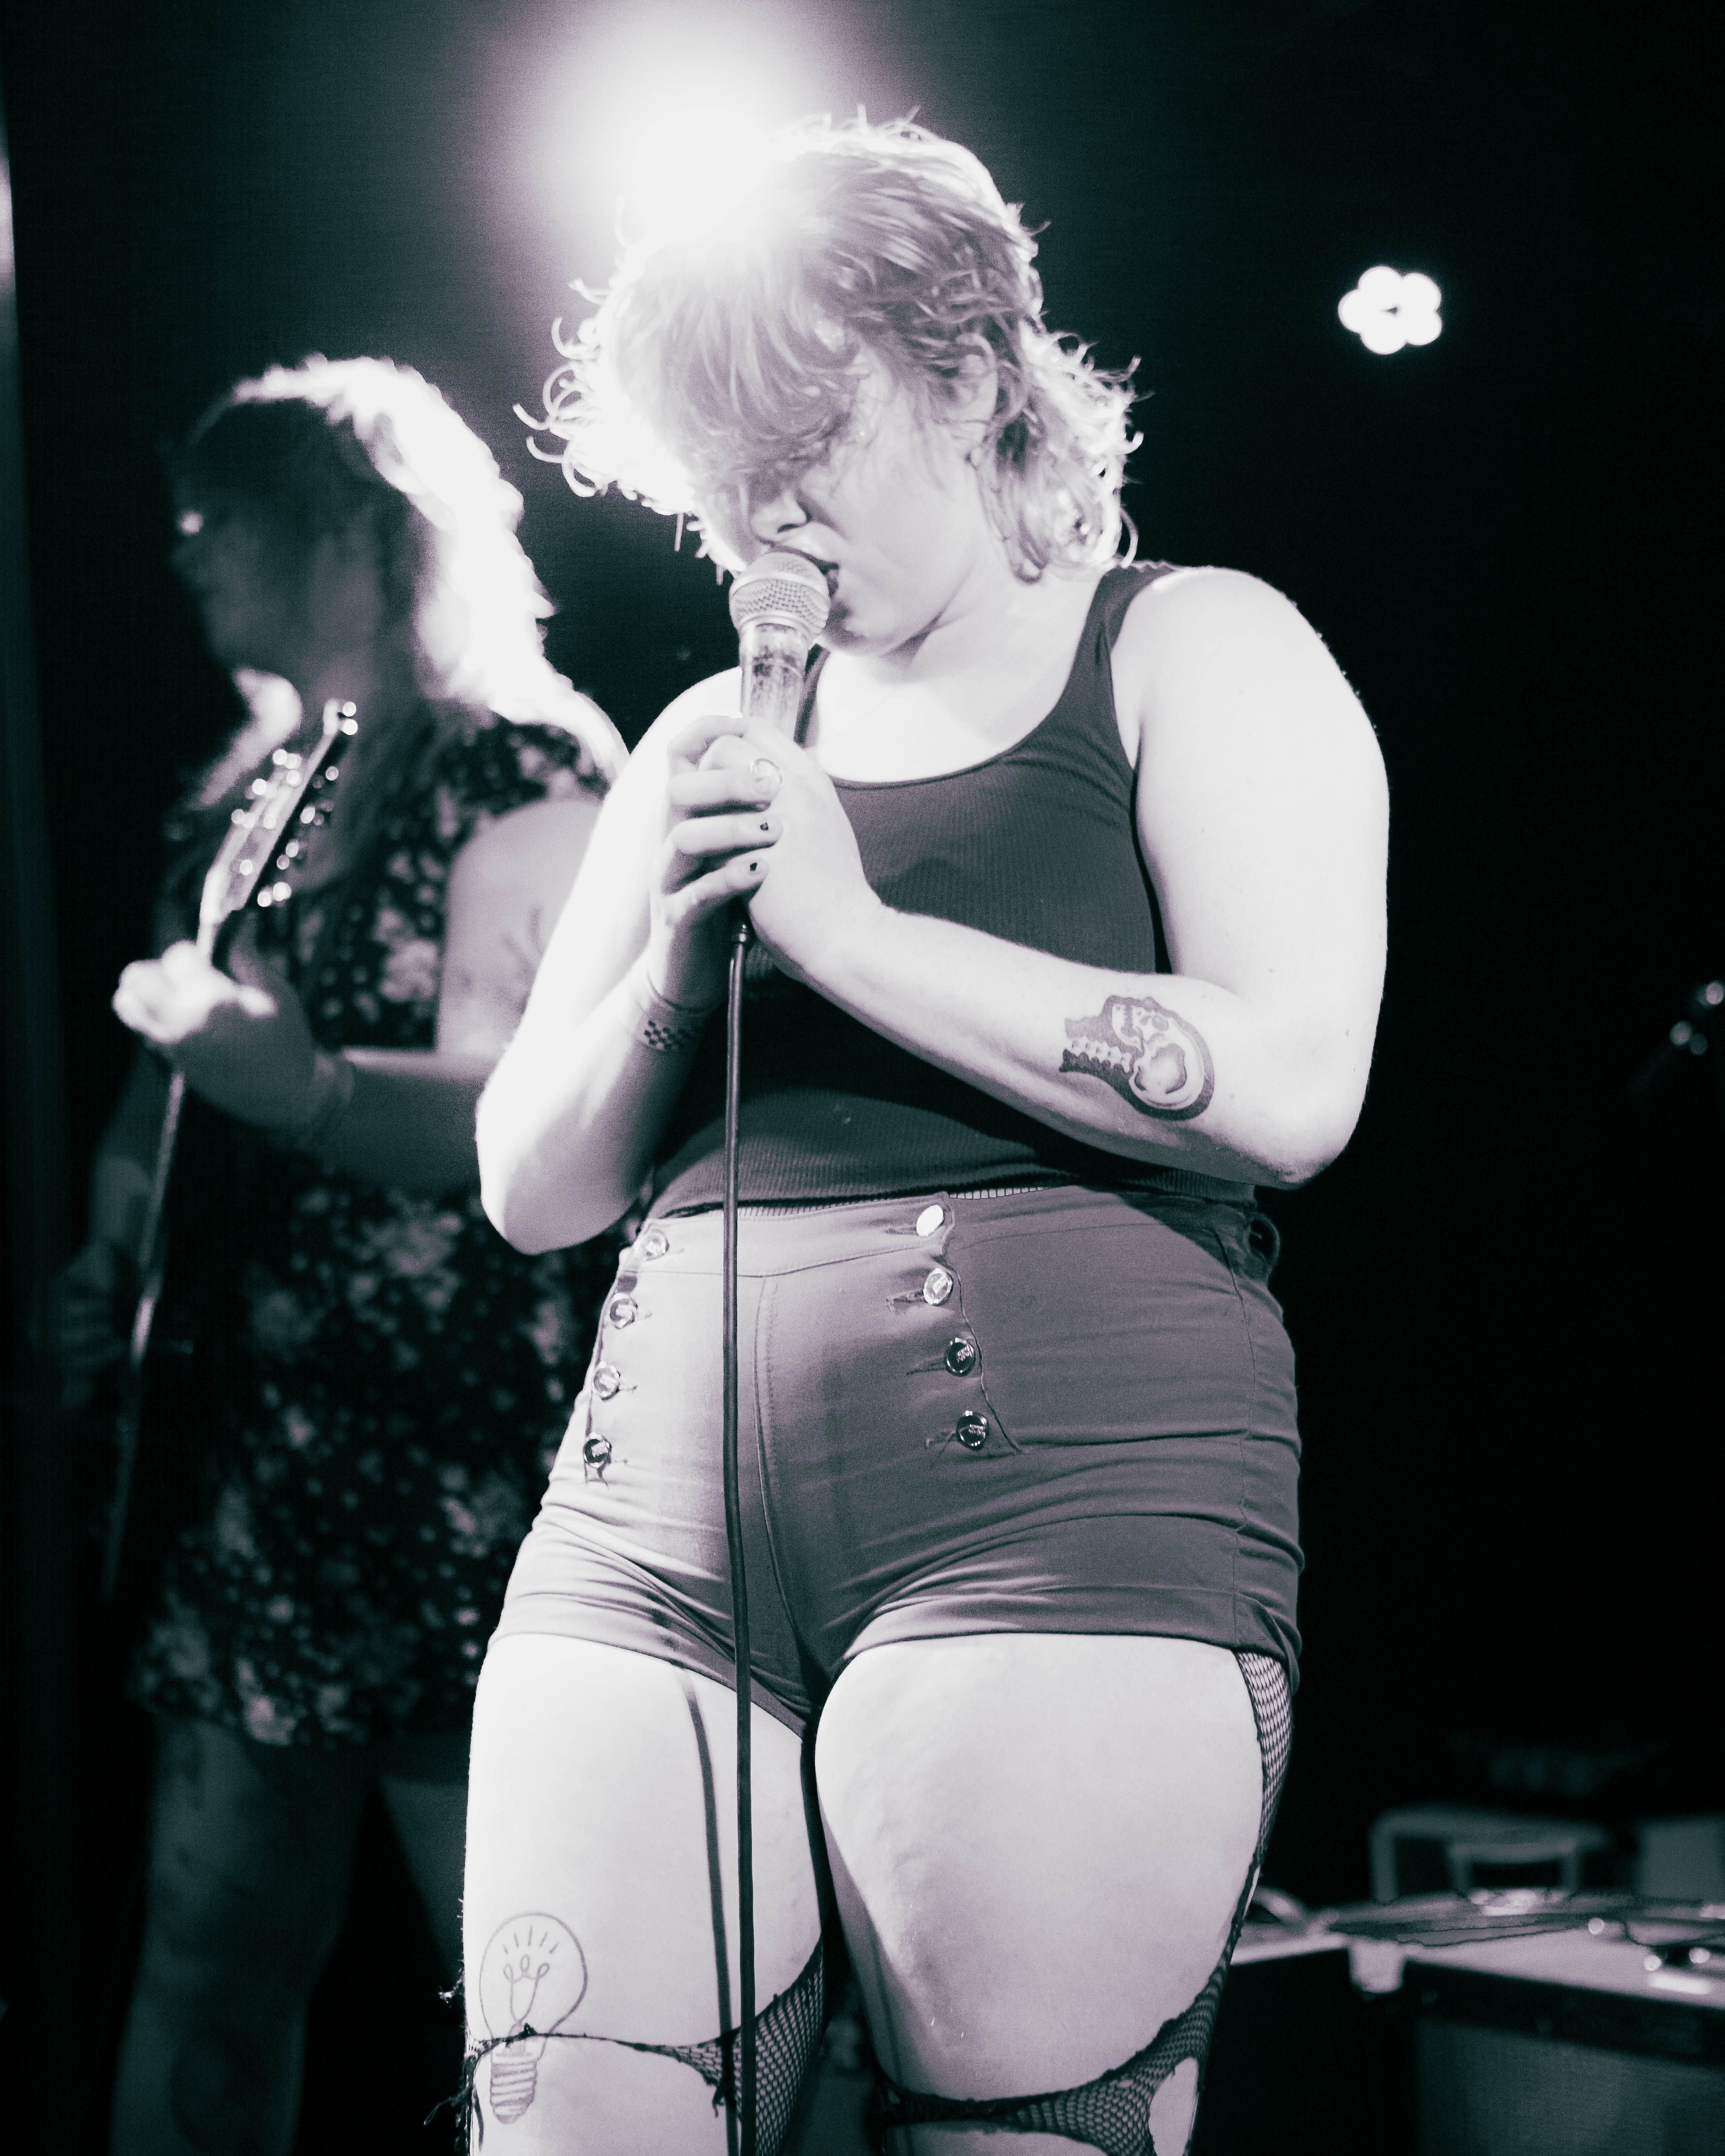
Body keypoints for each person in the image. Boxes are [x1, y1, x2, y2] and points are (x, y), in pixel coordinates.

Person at [466, 119, 1387, 2156]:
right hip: (647, 1526)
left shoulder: (1194, 643)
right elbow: (529, 1188)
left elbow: (1294, 1083)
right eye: (720, 475)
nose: (762, 517)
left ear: (971, 377)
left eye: (806, 441)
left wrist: (853, 935)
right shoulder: (708, 741)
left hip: (1055, 1514)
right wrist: (680, 966)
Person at [55, 355, 625, 2156]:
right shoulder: (251, 797)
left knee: (538, 1994)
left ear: (355, 535)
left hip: (469, 1469)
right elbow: (161, 1099)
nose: (187, 551)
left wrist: (303, 1088)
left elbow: (523, 1113)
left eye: (223, 516)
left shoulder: (528, 770)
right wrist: (106, 1256)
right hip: (257, 1466)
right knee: (207, 1951)